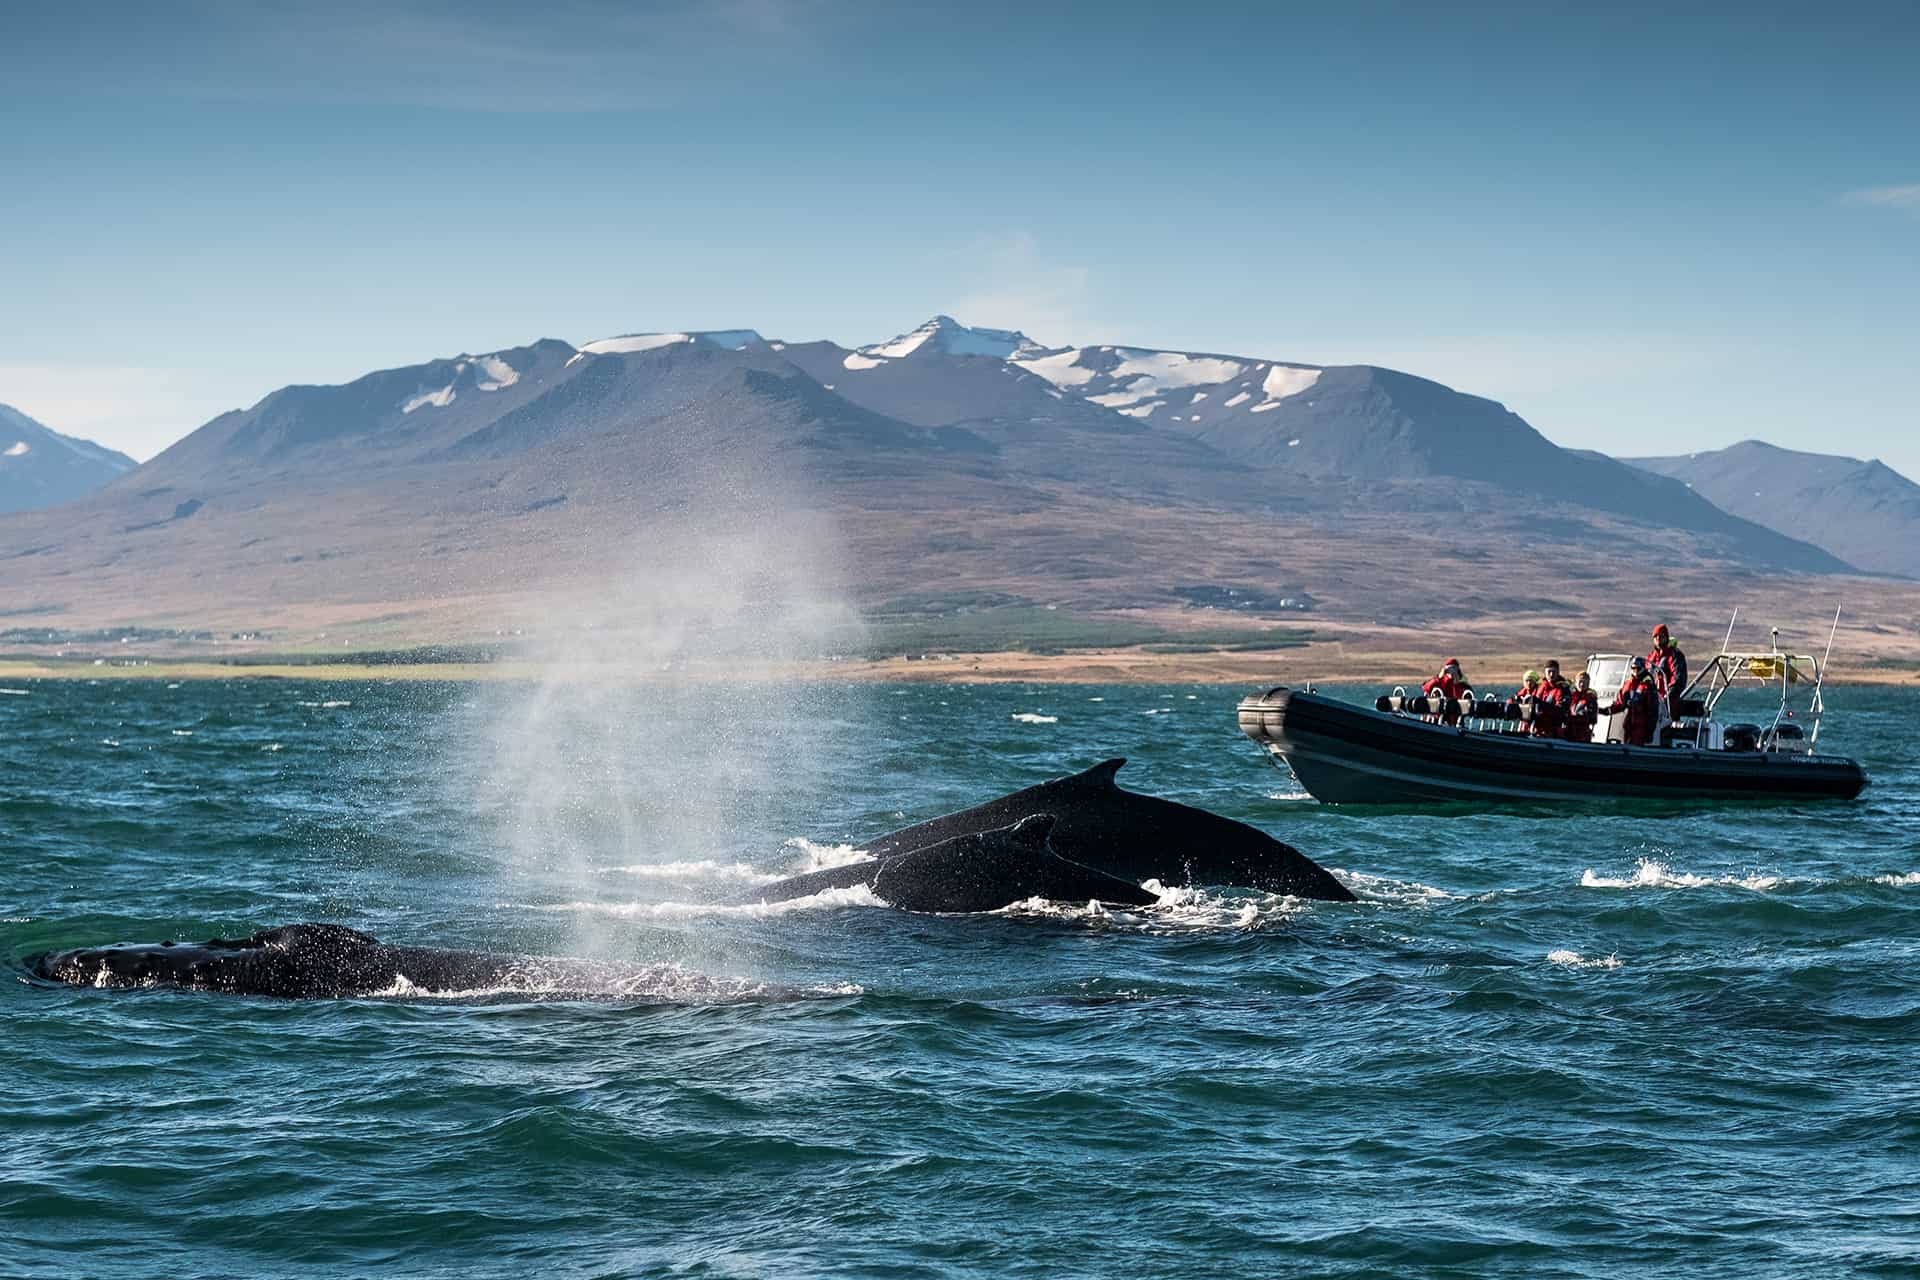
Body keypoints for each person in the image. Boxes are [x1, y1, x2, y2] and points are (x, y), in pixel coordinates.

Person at [1598, 656, 1661, 746]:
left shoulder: (1648, 685)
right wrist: (1606, 711)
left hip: (1640, 725)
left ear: (1643, 668)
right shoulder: (1628, 683)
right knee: (1626, 746)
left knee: (1636, 748)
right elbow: (1620, 703)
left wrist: (1650, 730)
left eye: (1638, 668)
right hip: (1628, 723)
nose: (1635, 670)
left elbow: (1653, 710)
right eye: (1633, 668)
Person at [1646, 625, 1689, 722]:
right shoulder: (1651, 657)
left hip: (1668, 707)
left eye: (1661, 636)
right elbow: (1644, 677)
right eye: (1655, 636)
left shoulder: (1674, 656)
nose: (1658, 638)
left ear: (1666, 637)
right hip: (1650, 705)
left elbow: (1678, 680)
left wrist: (1666, 699)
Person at [1421, 658, 1473, 724]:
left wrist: (1456, 684)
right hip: (1436, 718)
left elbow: (1462, 701)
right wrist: (1438, 678)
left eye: (1454, 668)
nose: (1451, 671)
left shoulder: (1463, 685)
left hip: (1454, 720)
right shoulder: (1439, 681)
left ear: (1458, 669)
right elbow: (1426, 688)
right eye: (1449, 668)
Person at [1532, 662, 1571, 739]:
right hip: (1537, 728)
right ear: (1545, 672)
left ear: (1558, 672)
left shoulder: (1563, 689)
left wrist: (1541, 705)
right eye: (1549, 672)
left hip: (1552, 730)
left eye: (1554, 672)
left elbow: (1561, 710)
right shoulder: (1540, 686)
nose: (1551, 674)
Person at [1563, 671, 1599, 743]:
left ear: (1588, 684)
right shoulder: (1570, 697)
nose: (1582, 684)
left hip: (1582, 735)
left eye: (1585, 682)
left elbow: (1592, 718)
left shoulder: (1591, 699)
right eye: (1580, 682)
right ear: (1576, 683)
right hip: (1568, 732)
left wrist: (1571, 718)